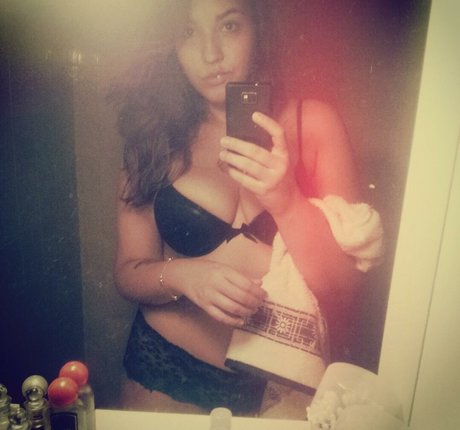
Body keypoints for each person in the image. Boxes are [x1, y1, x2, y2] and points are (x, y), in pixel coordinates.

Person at [109, 0, 383, 418]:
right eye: (188, 33)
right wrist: (185, 275)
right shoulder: (154, 135)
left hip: (280, 388)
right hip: (165, 369)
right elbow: (128, 272)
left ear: (259, 30)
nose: (210, 54)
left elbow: (345, 292)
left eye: (229, 26)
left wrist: (286, 200)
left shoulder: (313, 126)